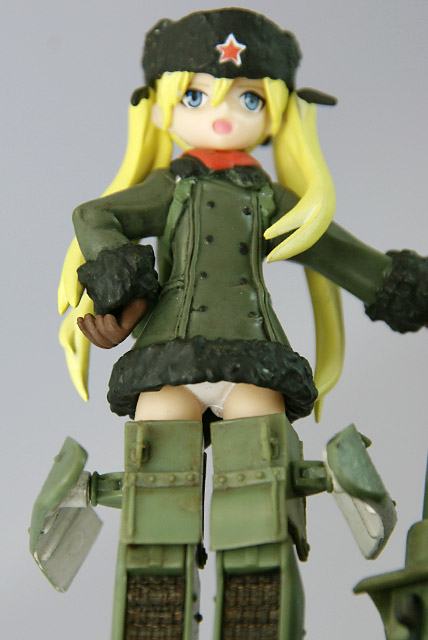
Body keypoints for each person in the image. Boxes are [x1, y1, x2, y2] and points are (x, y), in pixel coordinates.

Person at [57, 9, 428, 639]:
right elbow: (94, 216)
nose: (224, 113)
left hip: (252, 358)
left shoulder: (274, 200)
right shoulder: (169, 188)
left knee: (259, 497)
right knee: (155, 499)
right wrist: (123, 289)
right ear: (161, 107)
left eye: (249, 98)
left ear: (277, 112)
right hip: (168, 357)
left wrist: (408, 290)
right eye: (196, 95)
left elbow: (347, 258)